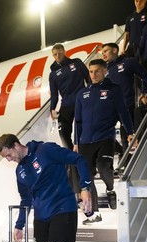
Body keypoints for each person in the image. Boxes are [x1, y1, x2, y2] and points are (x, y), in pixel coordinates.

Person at [74, 59, 135, 224]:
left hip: (105, 138)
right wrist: (75, 142)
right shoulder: (82, 94)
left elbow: (123, 112)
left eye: (97, 71)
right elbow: (77, 121)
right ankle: (94, 213)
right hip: (85, 141)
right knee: (86, 176)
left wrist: (130, 132)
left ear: (105, 71)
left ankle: (110, 189)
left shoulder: (114, 90)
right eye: (91, 71)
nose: (93, 75)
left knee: (102, 168)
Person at [48, 43, 90, 196]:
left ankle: (81, 151)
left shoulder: (76, 63)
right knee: (63, 131)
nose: (57, 56)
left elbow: (88, 78)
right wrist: (52, 108)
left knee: (81, 129)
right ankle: (72, 153)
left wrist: (90, 94)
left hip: (81, 100)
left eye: (59, 53)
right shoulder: (53, 73)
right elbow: (54, 94)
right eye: (55, 54)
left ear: (64, 52)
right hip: (66, 103)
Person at [101, 42, 147, 155]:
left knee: (126, 137)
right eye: (102, 52)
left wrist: (144, 92)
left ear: (114, 50)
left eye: (105, 51)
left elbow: (145, 76)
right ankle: (122, 154)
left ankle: (128, 162)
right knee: (103, 134)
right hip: (111, 109)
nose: (103, 54)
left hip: (127, 105)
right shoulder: (104, 70)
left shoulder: (128, 62)